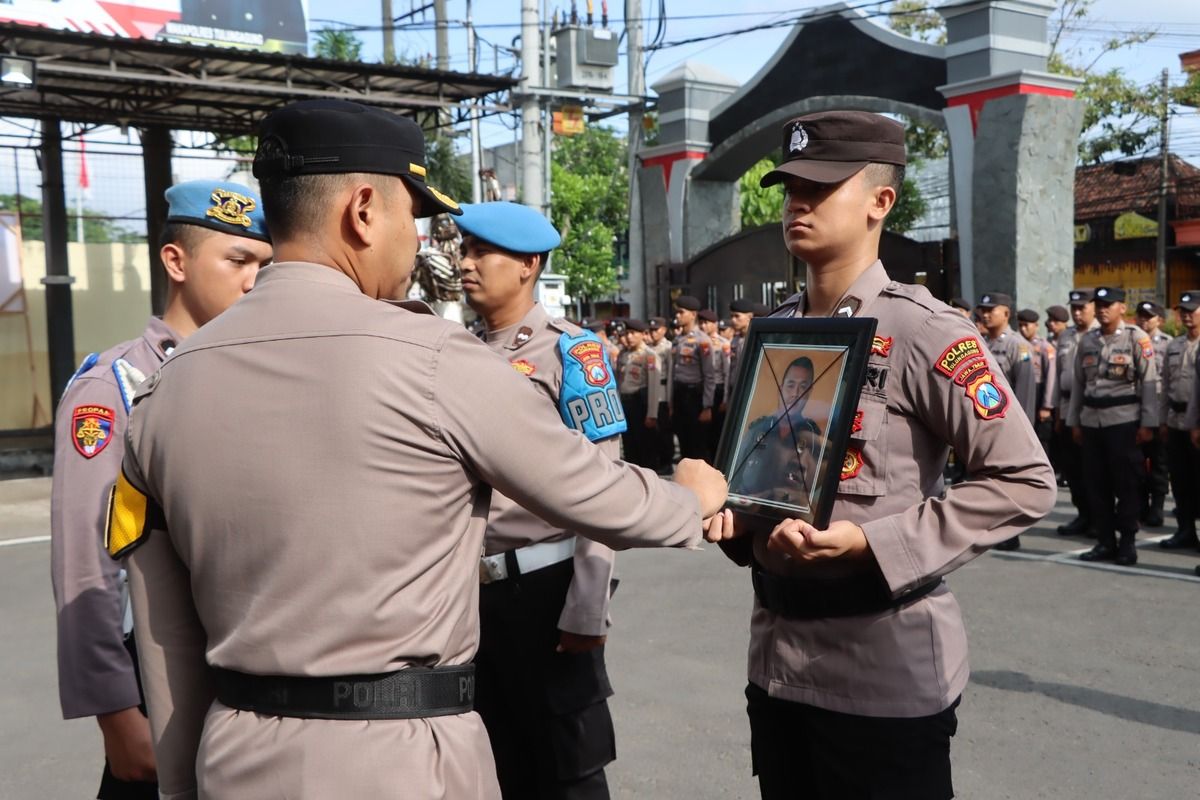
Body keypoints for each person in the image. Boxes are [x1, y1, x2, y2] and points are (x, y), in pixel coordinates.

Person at [107, 99, 728, 800]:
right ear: (364, 210)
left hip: (236, 757)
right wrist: (691, 497)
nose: (424, 244)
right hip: (405, 758)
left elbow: (164, 635)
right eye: (417, 218)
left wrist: (186, 785)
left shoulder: (163, 389)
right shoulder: (435, 359)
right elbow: (601, 494)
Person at [704, 110, 1056, 800]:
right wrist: (734, 517)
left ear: (879, 201)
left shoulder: (922, 329)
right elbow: (768, 470)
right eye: (790, 187)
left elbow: (1023, 479)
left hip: (882, 672)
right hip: (777, 655)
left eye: (820, 186)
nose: (797, 202)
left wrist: (873, 543)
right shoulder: (775, 333)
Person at [50, 179, 272, 800]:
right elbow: (84, 563)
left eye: (264, 264)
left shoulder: (256, 378)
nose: (254, 281)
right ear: (176, 261)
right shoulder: (114, 388)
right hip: (158, 671)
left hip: (250, 668)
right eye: (237, 261)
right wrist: (114, 709)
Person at [454, 200, 629, 799]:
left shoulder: (572, 353)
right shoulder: (455, 351)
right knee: (493, 765)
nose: (466, 263)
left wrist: (588, 602)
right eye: (465, 250)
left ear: (528, 264)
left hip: (545, 593)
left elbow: (606, 484)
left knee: (567, 772)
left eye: (482, 252)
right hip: (468, 599)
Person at [1068, 286, 1158, 566]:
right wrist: (1074, 421)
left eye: (1109, 304)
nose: (1103, 309)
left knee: (1127, 484)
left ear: (1122, 308)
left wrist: (1148, 423)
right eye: (1099, 304)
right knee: (1096, 484)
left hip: (1123, 422)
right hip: (1092, 421)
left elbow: (1149, 383)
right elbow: (1079, 384)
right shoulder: (1088, 341)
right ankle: (1105, 541)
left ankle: (1128, 543)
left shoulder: (1136, 338)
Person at [977, 292, 1039, 551]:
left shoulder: (1019, 345)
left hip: (1008, 425)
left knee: (1009, 483)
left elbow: (1025, 390)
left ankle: (1011, 534)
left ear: (1007, 313)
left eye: (993, 309)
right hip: (983, 425)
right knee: (985, 482)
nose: (986, 313)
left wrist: (1022, 430)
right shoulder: (979, 342)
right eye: (984, 309)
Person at [730, 356, 821, 510]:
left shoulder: (812, 436)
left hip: (784, 518)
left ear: (809, 393)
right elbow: (734, 477)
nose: (795, 394)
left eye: (803, 387)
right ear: (781, 389)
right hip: (743, 511)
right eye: (790, 385)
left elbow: (808, 494)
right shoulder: (758, 429)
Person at [1054, 290, 1100, 537]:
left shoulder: (1098, 335)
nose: (1077, 312)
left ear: (1093, 307)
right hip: (1065, 405)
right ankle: (1083, 514)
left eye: (1082, 307)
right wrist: (1056, 412)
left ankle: (1097, 518)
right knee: (1072, 468)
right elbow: (1057, 374)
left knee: (1092, 469)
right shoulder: (1066, 335)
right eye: (1074, 308)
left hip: (1090, 408)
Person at [1162, 291, 1200, 551]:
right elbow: (1165, 385)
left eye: (1192, 310)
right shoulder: (1174, 346)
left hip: (1197, 421)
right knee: (1180, 480)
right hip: (1176, 420)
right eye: (1183, 310)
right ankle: (1185, 530)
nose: (1186, 314)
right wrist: (1162, 420)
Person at [1135, 300, 1171, 527]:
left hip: (1158, 410)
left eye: (1149, 316)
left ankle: (1157, 507)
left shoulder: (1168, 344)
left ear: (1159, 320)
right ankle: (1140, 505)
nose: (1144, 320)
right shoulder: (1132, 340)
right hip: (1134, 409)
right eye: (1141, 316)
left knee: (1159, 462)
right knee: (1136, 462)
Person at [669, 295, 716, 460]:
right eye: (677, 312)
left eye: (681, 312)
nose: (677, 316)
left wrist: (707, 406)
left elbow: (709, 375)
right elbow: (672, 372)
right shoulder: (677, 339)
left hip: (694, 395)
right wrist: (671, 402)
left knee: (697, 445)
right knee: (684, 442)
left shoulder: (702, 341)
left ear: (693, 314)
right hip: (679, 393)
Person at [616, 319, 663, 469]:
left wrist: (652, 414)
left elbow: (654, 386)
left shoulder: (650, 355)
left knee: (644, 447)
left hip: (640, 404)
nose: (629, 337)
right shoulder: (623, 354)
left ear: (643, 334)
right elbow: (619, 381)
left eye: (633, 333)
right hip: (625, 403)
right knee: (629, 445)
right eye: (627, 333)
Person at [1017, 308, 1056, 461]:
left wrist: (1046, 405)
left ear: (1036, 326)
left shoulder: (1045, 347)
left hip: (1040, 391)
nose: (1023, 328)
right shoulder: (1018, 344)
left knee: (1041, 436)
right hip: (1023, 390)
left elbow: (1051, 376)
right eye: (1020, 325)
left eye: (1027, 325)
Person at [699, 308, 732, 459]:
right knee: (703, 433)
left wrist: (725, 398)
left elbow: (726, 373)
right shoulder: (699, 343)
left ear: (715, 324)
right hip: (703, 390)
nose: (703, 326)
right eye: (701, 323)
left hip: (718, 390)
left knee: (716, 432)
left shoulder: (723, 344)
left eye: (706, 323)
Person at [647, 316, 674, 471]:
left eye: (656, 330)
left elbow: (670, 373)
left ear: (664, 330)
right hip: (652, 391)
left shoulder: (668, 347)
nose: (653, 333)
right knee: (653, 431)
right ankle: (656, 460)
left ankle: (667, 461)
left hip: (663, 392)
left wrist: (670, 399)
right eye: (651, 330)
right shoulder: (649, 348)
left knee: (664, 429)